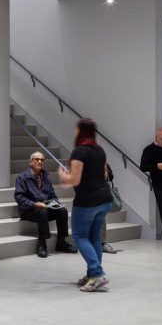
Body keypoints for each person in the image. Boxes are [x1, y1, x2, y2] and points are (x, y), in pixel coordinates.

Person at [58, 119, 113, 293]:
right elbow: (104, 174)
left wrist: (63, 176)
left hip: (87, 201)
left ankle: (97, 273)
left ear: (81, 132)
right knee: (95, 238)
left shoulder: (79, 152)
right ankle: (91, 274)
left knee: (79, 236)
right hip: (104, 199)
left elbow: (74, 179)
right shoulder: (100, 150)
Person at [14, 151, 77, 258]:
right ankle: (42, 244)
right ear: (31, 162)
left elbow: (52, 195)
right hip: (29, 210)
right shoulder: (22, 177)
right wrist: (35, 204)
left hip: (45, 208)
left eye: (42, 160)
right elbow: (19, 197)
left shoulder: (46, 177)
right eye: (37, 159)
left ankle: (61, 242)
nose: (40, 161)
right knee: (42, 212)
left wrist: (55, 203)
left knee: (62, 211)